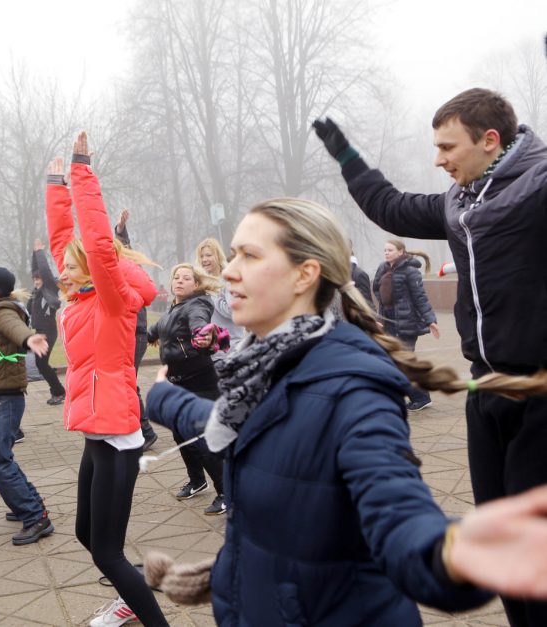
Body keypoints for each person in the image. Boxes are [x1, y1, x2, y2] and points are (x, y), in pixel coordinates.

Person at [144, 197, 547, 625]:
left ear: (305, 274)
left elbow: (395, 508)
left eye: (250, 255)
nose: (228, 270)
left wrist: (453, 554)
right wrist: (163, 399)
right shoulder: (263, 368)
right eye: (233, 254)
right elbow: (238, 426)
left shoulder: (355, 389)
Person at [314, 87, 547, 625]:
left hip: (540, 396)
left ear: (490, 141)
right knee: (494, 539)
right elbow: (390, 205)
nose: (438, 159)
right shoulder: (458, 203)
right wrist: (347, 157)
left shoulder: (538, 186)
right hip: (485, 390)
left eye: (447, 147)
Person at [46, 133, 168, 627]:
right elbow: (64, 243)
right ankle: (133, 591)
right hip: (96, 433)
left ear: (97, 271)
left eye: (73, 270)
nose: (64, 275)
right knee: (85, 535)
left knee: (107, 552)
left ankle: (145, 615)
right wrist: (54, 186)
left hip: (118, 436)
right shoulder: (78, 300)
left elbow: (95, 242)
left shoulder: (115, 301)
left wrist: (80, 171)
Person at [0, 266, 53, 545]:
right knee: (1, 458)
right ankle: (28, 504)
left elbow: (14, 327)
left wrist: (29, 338)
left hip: (3, 397)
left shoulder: (0, 310)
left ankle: (36, 517)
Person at [148, 262, 226, 516]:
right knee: (181, 437)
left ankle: (227, 493)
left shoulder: (197, 305)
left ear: (196, 284)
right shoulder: (174, 309)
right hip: (179, 383)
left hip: (201, 382)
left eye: (186, 278)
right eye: (176, 277)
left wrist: (203, 336)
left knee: (204, 441)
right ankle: (197, 480)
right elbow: (152, 330)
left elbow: (200, 327)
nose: (179, 281)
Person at [373, 239, 439, 411]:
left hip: (406, 323)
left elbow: (420, 298)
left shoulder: (411, 271)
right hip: (388, 321)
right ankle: (405, 396)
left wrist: (431, 320)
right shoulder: (383, 268)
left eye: (390, 250)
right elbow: (377, 290)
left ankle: (420, 397)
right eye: (385, 250)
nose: (386, 253)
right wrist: (380, 317)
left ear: (400, 252)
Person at [114, 209, 159, 451]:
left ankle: (145, 431)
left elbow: (122, 252)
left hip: (135, 331)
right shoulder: (118, 269)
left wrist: (121, 231)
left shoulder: (128, 270)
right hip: (126, 332)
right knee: (125, 382)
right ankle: (137, 429)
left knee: (128, 382)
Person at [28, 239, 66, 406]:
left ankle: (59, 392)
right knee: (41, 364)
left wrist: (39, 252)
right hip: (39, 331)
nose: (36, 281)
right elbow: (35, 269)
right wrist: (34, 255)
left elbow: (44, 270)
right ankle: (57, 389)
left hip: (48, 331)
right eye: (34, 279)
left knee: (41, 363)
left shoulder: (49, 288)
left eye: (39, 279)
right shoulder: (36, 292)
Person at [194, 237, 245, 348]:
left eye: (208, 255)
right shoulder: (200, 284)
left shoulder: (228, 280)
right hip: (210, 348)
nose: (204, 259)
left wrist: (213, 292)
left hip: (231, 346)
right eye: (201, 256)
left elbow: (232, 312)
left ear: (218, 256)